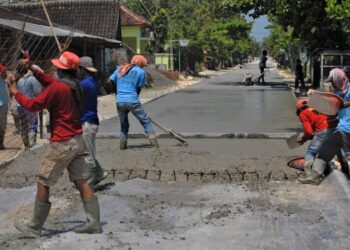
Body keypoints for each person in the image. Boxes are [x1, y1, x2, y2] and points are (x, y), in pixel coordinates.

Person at [8, 51, 102, 237]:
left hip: (61, 142)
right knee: (80, 181)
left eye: (57, 67)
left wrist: (15, 93)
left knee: (43, 181)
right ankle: (94, 223)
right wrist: (32, 67)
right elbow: (48, 81)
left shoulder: (58, 88)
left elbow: (34, 105)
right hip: (77, 139)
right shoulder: (75, 84)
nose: (54, 70)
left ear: (60, 70)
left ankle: (35, 227)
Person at [299, 68, 350, 184]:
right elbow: (332, 108)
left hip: (346, 129)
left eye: (333, 81)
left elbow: (340, 105)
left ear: (339, 79)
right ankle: (317, 176)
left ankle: (314, 177)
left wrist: (343, 104)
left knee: (325, 151)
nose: (332, 83)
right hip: (343, 129)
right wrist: (319, 106)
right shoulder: (337, 93)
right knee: (326, 150)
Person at [108, 55, 159, 149]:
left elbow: (109, 81)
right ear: (140, 63)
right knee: (145, 121)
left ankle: (122, 146)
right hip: (132, 100)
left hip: (119, 101)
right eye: (143, 65)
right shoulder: (141, 72)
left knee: (124, 125)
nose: (143, 67)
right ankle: (155, 145)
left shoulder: (120, 69)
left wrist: (117, 93)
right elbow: (138, 89)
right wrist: (133, 101)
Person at [295, 98, 348, 179]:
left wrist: (303, 139)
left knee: (310, 152)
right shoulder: (320, 108)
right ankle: (346, 173)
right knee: (338, 149)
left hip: (324, 130)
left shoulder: (303, 113)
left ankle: (309, 175)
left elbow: (309, 132)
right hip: (336, 130)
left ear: (300, 109)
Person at [78, 56, 107, 187]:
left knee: (87, 154)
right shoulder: (91, 82)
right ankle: (100, 173)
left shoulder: (84, 84)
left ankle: (88, 185)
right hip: (91, 120)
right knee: (88, 150)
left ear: (82, 69)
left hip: (87, 122)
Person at [11, 64, 42, 149]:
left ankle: (26, 145)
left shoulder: (18, 80)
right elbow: (37, 92)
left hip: (20, 105)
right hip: (30, 105)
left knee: (24, 126)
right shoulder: (32, 79)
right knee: (33, 124)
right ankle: (32, 144)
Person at [0, 64, 8, 150]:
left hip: (2, 103)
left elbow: (4, 73)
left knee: (2, 126)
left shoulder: (2, 77)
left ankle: (1, 143)